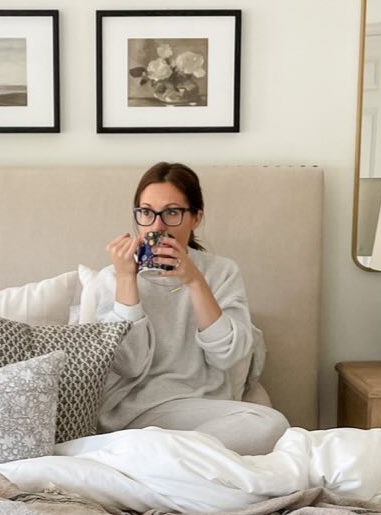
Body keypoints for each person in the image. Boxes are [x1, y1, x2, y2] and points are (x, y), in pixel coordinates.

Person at [91, 162, 288, 456]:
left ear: (196, 217)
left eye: (172, 212)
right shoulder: (112, 278)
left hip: (203, 412)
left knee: (271, 425)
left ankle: (148, 458)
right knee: (262, 431)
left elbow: (228, 356)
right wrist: (126, 279)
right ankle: (169, 458)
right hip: (133, 414)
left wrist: (195, 281)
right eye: (146, 212)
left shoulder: (221, 272)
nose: (157, 226)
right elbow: (129, 365)